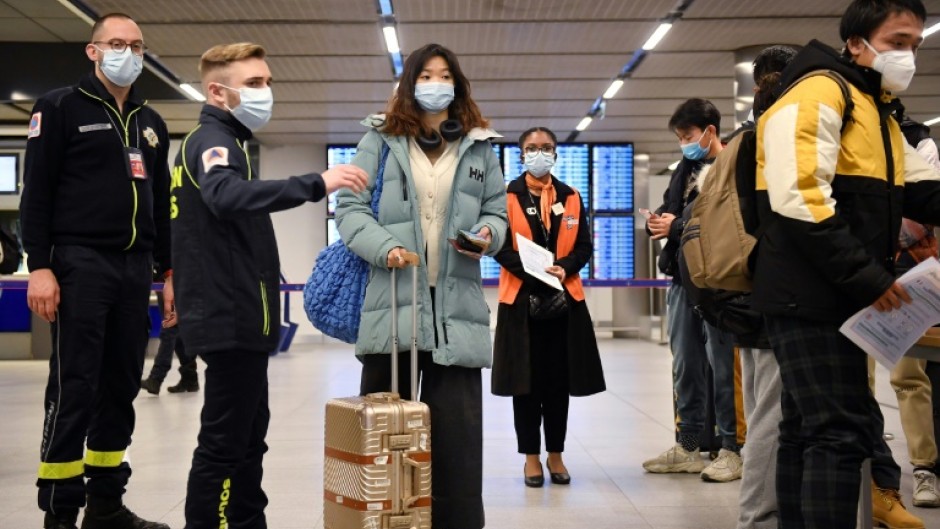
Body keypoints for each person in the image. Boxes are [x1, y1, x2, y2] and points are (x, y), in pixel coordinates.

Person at [753, 1, 940, 527]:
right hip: (808, 295)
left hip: (828, 292)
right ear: (856, 42)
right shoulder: (819, 91)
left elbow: (922, 189)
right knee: (840, 430)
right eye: (897, 41)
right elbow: (797, 199)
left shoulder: (875, 109)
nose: (908, 55)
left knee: (808, 429)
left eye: (915, 45)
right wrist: (869, 279)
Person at [171, 43, 368, 529]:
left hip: (243, 317)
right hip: (227, 317)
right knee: (224, 442)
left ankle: (245, 521)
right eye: (254, 84)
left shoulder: (228, 142)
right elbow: (225, 195)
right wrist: (315, 182)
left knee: (248, 436)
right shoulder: (211, 141)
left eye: (268, 83)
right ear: (219, 92)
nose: (265, 92)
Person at [335, 42, 507, 529]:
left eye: (444, 74)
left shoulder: (478, 145)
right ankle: (385, 522)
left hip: (457, 312)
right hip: (393, 303)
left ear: (458, 83)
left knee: (457, 441)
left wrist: (488, 235)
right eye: (425, 75)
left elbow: (496, 211)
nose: (436, 83)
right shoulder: (380, 139)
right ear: (410, 84)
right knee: (384, 440)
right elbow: (350, 210)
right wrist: (384, 247)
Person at [20, 12, 173, 529]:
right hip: (80, 264)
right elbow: (35, 195)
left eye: (135, 44)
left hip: (135, 269)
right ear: (93, 50)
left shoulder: (151, 123)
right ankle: (61, 513)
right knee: (75, 385)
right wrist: (39, 267)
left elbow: (161, 201)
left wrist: (168, 272)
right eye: (115, 43)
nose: (126, 52)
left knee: (121, 384)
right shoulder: (60, 107)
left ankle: (106, 504)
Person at [491, 126, 606, 488]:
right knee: (526, 386)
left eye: (546, 147)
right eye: (531, 148)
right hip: (520, 302)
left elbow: (584, 245)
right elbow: (499, 245)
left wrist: (566, 267)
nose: (539, 153)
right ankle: (530, 458)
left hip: (564, 302)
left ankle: (556, 454)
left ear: (555, 153)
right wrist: (534, 268)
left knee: (557, 384)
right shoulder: (506, 197)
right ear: (521, 153)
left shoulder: (570, 196)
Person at [642, 98, 743, 482]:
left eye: (688, 136)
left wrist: (678, 225)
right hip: (683, 280)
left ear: (710, 131)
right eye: (680, 137)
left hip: (719, 284)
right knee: (685, 364)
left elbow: (721, 222)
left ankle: (731, 448)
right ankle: (689, 445)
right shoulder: (684, 170)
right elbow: (676, 211)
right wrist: (662, 222)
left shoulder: (732, 165)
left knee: (723, 368)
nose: (684, 143)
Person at [889, 116, 940, 508]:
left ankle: (927, 467)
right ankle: (919, 468)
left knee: (918, 373)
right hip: (875, 275)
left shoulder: (919, 143)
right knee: (904, 376)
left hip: (922, 270)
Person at [141, 286, 198, 395]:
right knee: (175, 327)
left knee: (170, 327)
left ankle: (156, 378)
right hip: (165, 279)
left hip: (169, 278)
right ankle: (190, 377)